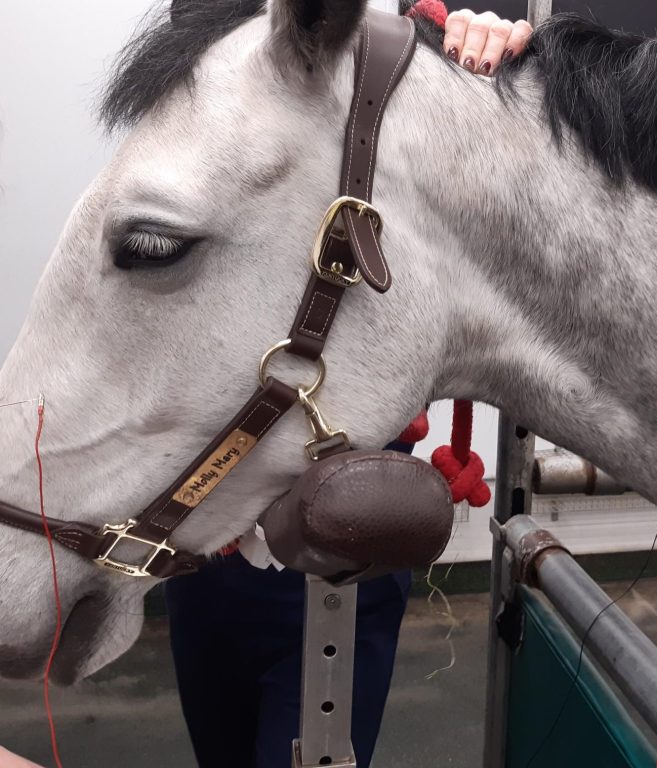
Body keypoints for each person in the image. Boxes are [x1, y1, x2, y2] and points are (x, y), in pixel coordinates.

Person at [0, 6, 533, 768]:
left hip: (339, 573)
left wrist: (488, 50)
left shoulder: (371, 110)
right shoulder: (215, 149)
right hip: (202, 566)